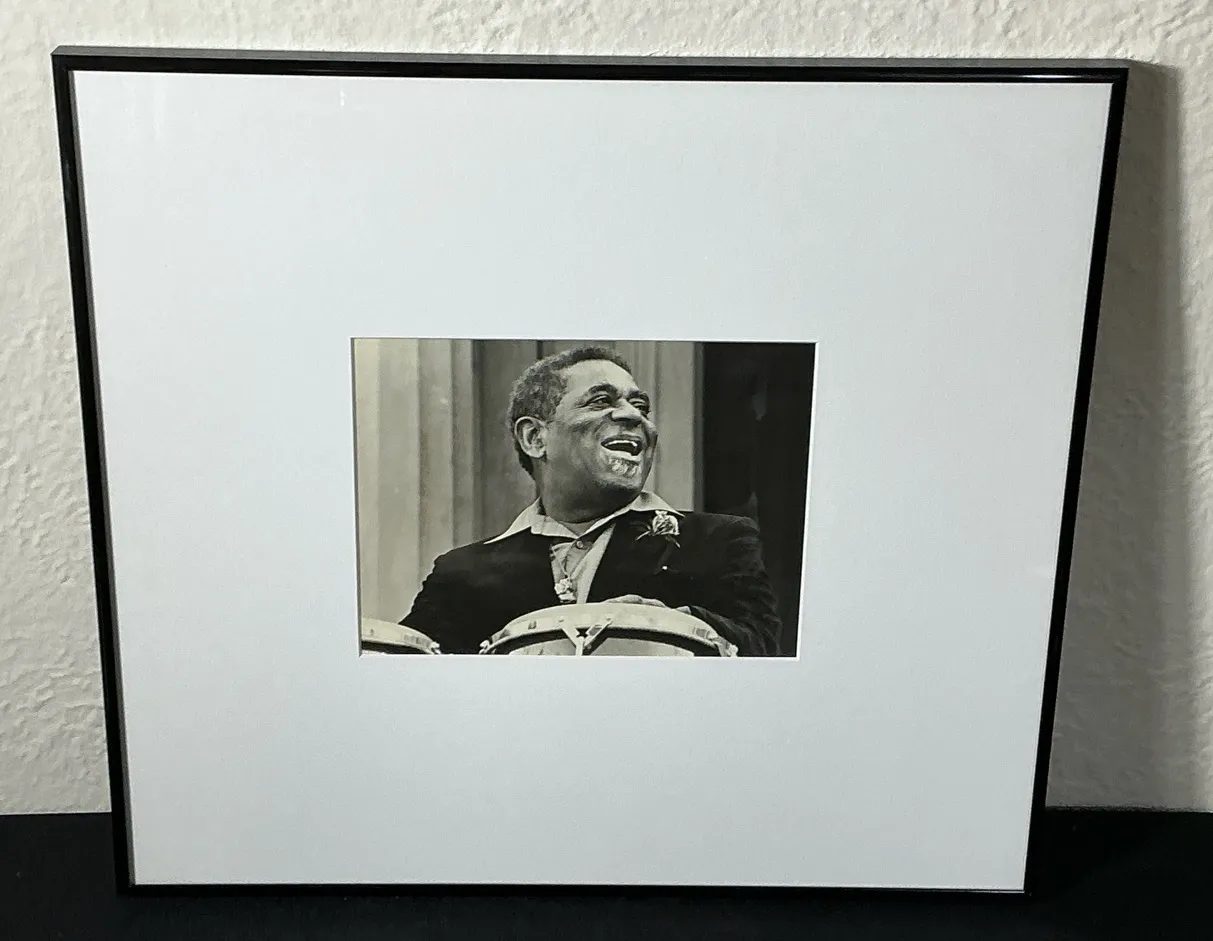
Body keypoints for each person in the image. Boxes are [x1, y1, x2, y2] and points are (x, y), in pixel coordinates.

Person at [400, 346, 783, 656]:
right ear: (535, 438)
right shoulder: (461, 573)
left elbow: (762, 653)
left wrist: (673, 625)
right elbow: (406, 670)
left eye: (641, 406)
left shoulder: (719, 540)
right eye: (600, 401)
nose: (634, 416)